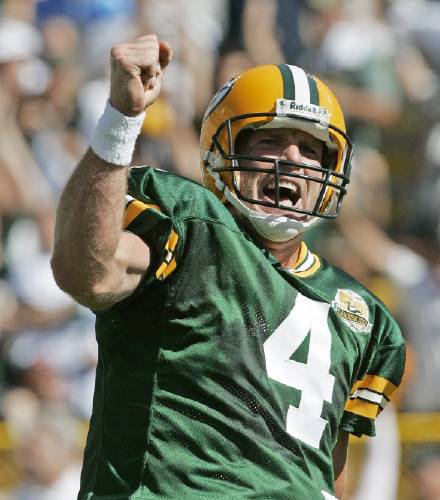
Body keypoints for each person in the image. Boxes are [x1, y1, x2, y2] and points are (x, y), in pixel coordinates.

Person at [51, 34, 405, 500]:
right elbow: (88, 272)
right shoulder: (193, 229)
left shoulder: (363, 318)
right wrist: (121, 120)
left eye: (311, 149)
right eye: (271, 141)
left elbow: (321, 473)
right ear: (222, 153)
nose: (293, 160)